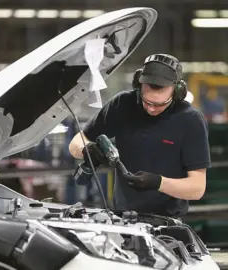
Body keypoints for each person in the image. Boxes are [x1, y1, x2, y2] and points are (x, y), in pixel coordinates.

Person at [69, 53, 211, 218]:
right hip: (122, 218)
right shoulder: (122, 105)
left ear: (178, 91)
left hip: (166, 222)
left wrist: (158, 183)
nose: (151, 109)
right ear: (138, 85)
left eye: (159, 104)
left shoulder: (190, 119)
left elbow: (197, 189)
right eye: (147, 101)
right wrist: (87, 150)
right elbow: (75, 144)